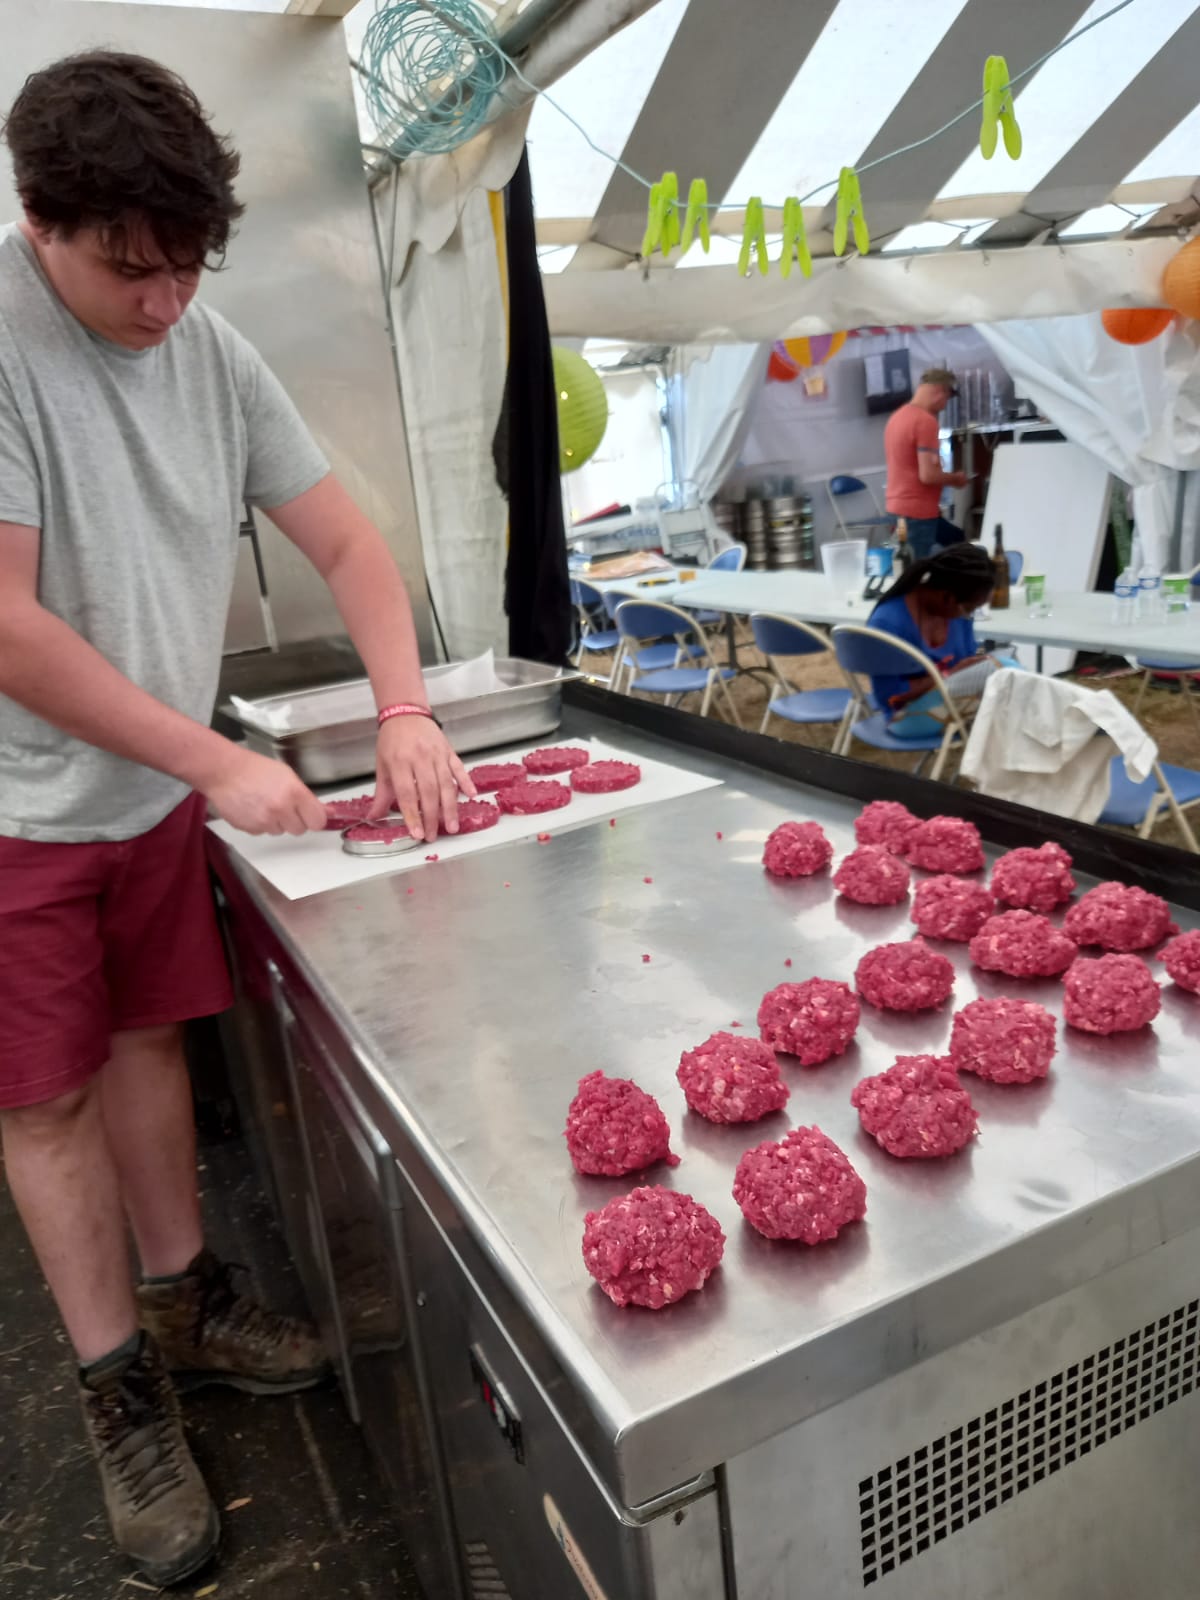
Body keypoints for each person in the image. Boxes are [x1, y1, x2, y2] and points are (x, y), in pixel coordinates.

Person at [0, 52, 476, 1587]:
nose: (164, 303)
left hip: (147, 791)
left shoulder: (205, 346)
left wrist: (404, 710)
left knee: (150, 1043)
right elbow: (6, 626)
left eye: (188, 265)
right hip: (18, 809)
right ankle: (116, 1392)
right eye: (128, 269)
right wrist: (212, 760)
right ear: (41, 221)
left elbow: (351, 547)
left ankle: (186, 1301)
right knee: (45, 1099)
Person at [867, 543, 997, 740]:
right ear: (946, 597)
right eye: (969, 608)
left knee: (1010, 679)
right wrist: (948, 675)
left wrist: (975, 666)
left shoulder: (957, 616)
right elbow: (889, 696)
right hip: (904, 717)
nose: (969, 615)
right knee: (1009, 691)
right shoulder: (888, 623)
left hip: (950, 701)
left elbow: (965, 663)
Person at [883, 366, 969, 559]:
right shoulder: (925, 422)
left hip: (897, 508)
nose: (945, 406)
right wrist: (955, 479)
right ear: (941, 391)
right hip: (917, 513)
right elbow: (928, 475)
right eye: (947, 399)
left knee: (956, 541)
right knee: (916, 567)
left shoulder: (896, 418)